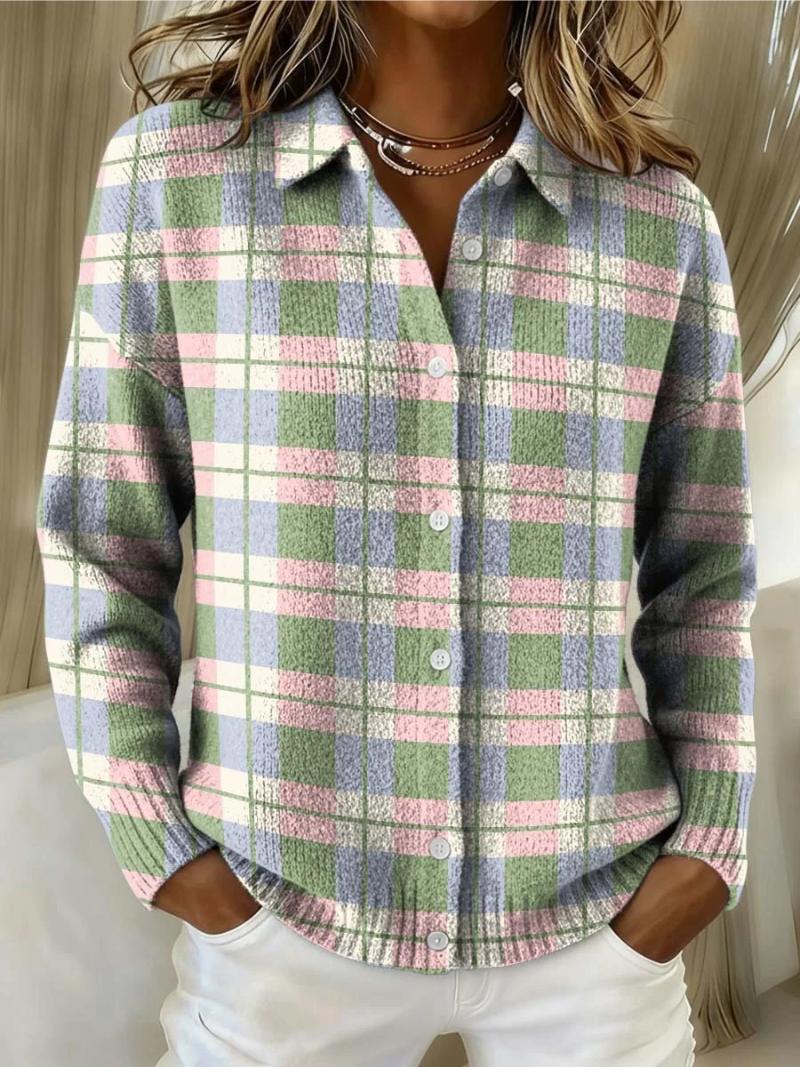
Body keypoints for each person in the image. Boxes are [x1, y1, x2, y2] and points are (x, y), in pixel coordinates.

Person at [35, 1, 758, 1064]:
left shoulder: (658, 220)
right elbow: (102, 544)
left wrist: (705, 851)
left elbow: (705, 573)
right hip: (281, 929)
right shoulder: (175, 179)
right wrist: (172, 855)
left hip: (597, 933)